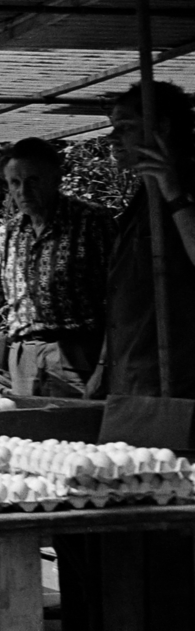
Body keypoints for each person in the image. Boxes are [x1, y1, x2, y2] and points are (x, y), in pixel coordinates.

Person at [0, 138, 112, 398]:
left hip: (78, 357)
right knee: (28, 434)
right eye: (15, 183)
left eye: (33, 180)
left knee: (76, 432)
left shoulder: (92, 224)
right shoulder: (7, 235)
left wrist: (105, 366)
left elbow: (123, 303)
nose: (23, 191)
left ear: (56, 177)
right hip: (23, 359)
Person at [98, 82, 195, 396]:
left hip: (175, 378)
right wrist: (102, 368)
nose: (113, 138)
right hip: (131, 374)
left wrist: (175, 194)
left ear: (162, 127)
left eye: (125, 127)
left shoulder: (185, 184)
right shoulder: (142, 196)